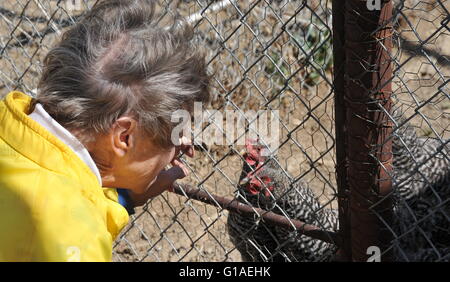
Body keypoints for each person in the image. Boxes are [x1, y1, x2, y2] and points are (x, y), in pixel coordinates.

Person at [0, 0, 209, 261]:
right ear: (124, 137)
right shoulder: (70, 235)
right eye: (172, 140)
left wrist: (122, 193)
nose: (175, 151)